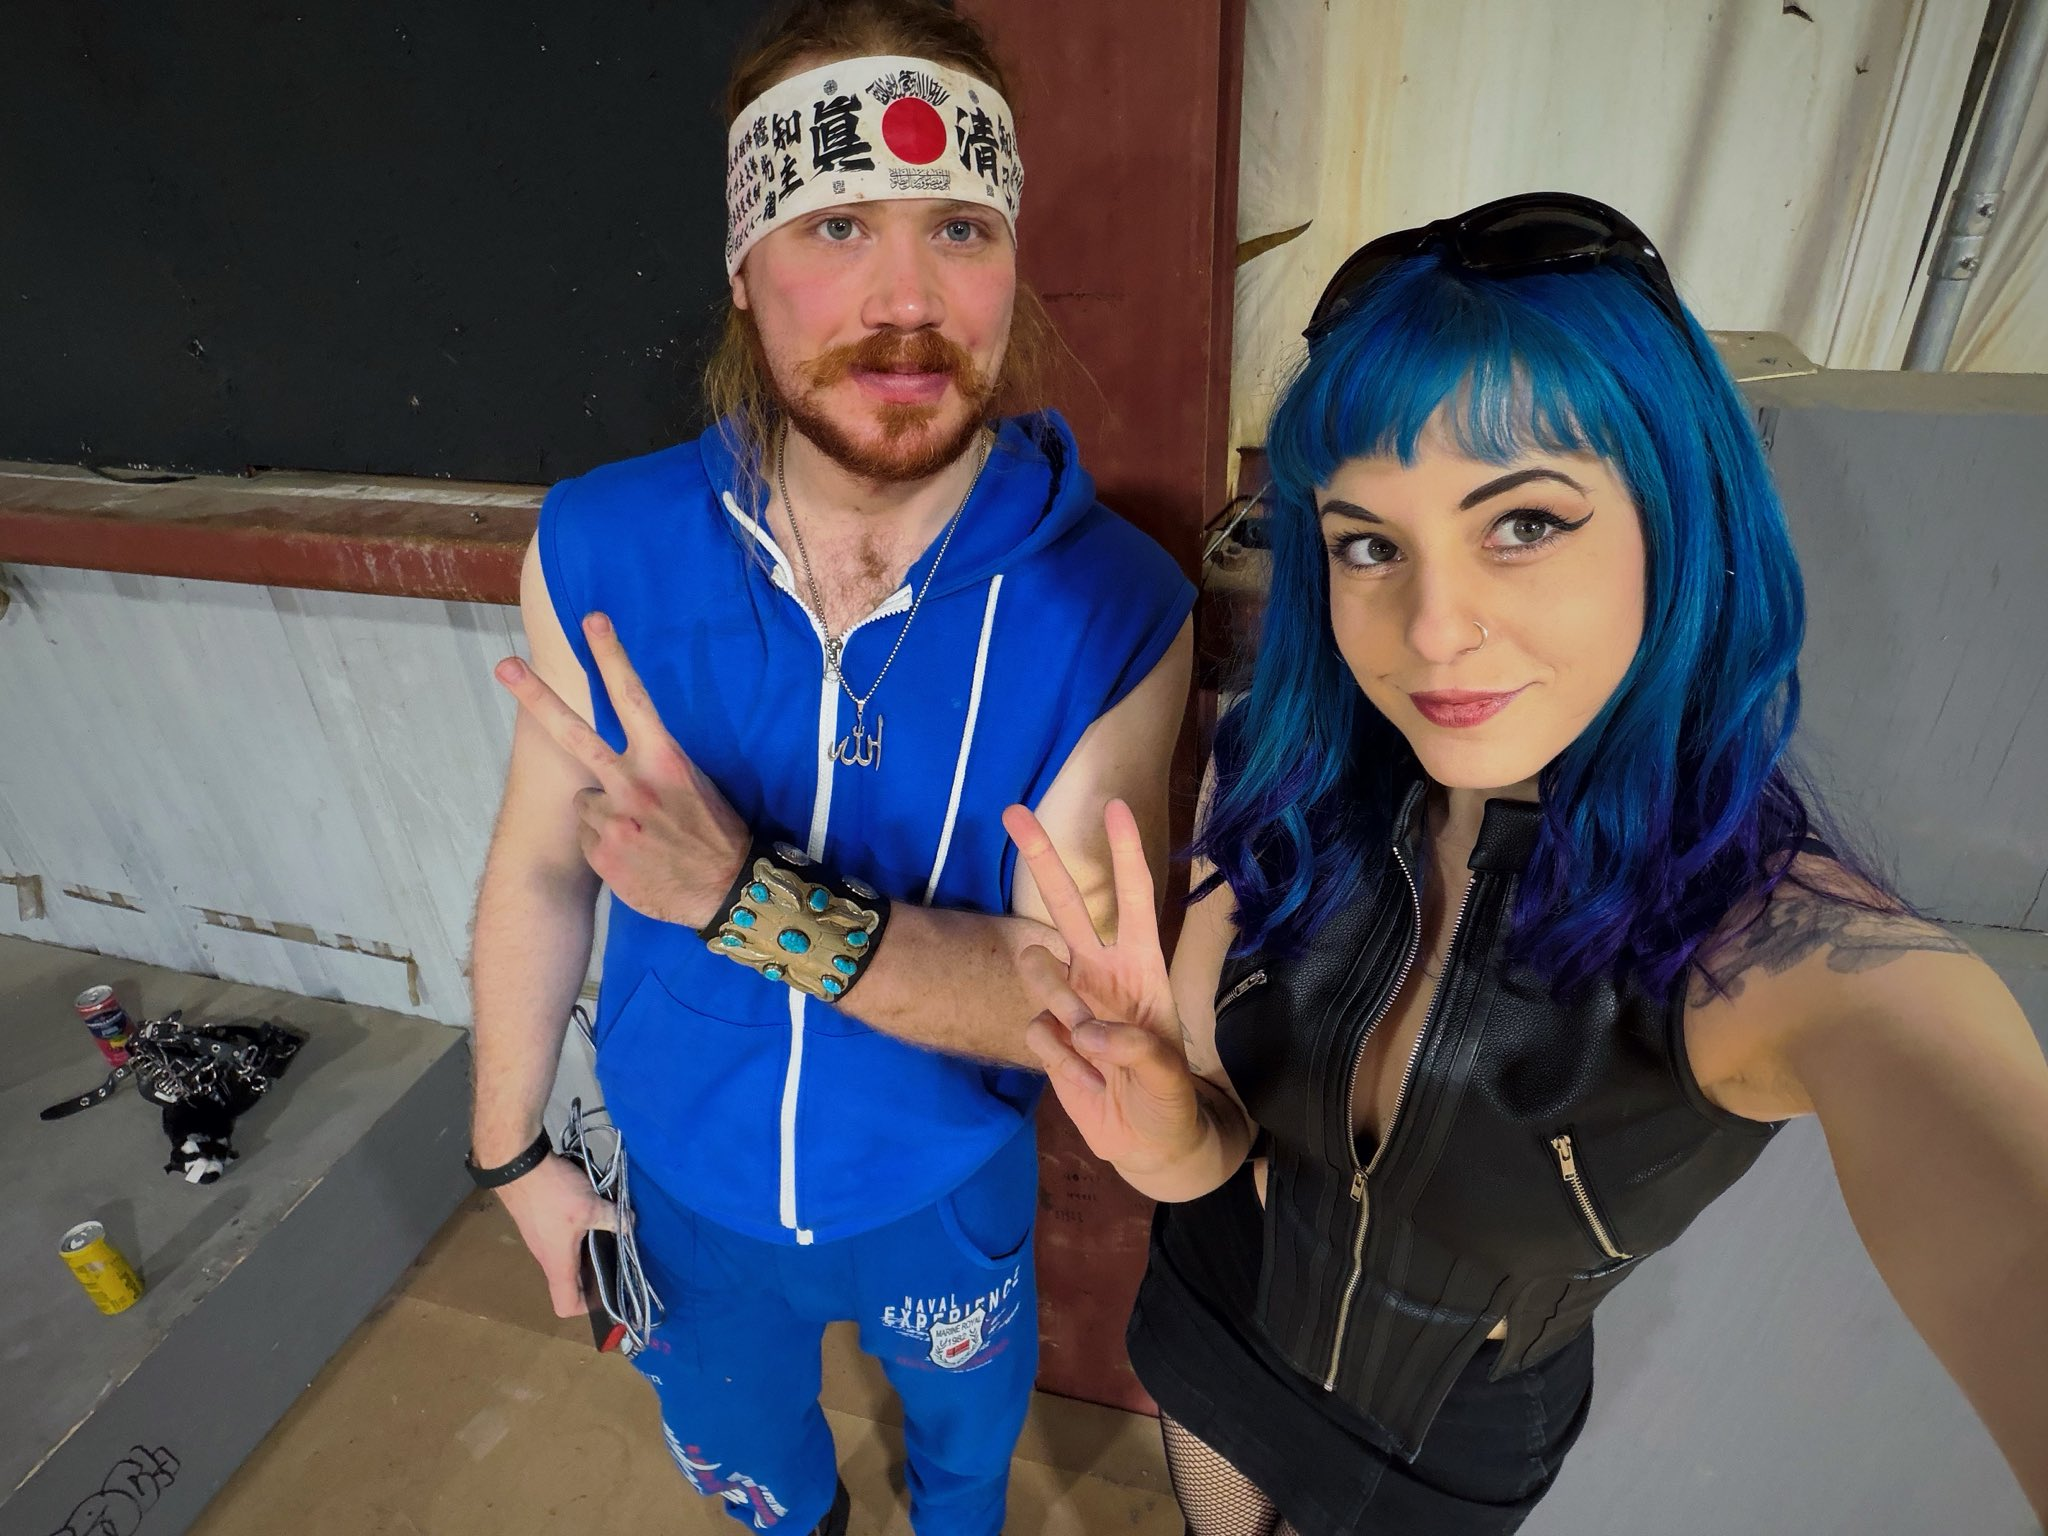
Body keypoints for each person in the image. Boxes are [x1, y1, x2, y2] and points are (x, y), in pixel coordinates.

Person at [1005, 193, 2048, 1535]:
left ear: (1678, 524)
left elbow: (1997, 1194)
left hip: (1441, 1448)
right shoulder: (1285, 780)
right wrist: (1173, 1138)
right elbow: (1217, 1151)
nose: (1435, 627)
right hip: (1216, 1316)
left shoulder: (1792, 963)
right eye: (1370, 544)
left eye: (1525, 523)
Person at [465, 4, 1194, 1533]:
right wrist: (512, 1154)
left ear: (1011, 261)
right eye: (838, 224)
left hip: (942, 1182)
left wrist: (744, 898)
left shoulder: (1115, 605)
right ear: (744, 268)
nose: (906, 298)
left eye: (959, 228)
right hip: (684, 1182)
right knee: (761, 1487)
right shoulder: (600, 542)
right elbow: (539, 865)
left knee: (965, 1476)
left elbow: (1071, 995)